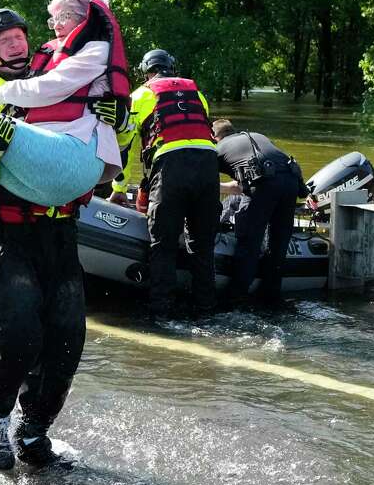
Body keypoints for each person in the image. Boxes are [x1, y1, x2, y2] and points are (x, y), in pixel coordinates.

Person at [0, 0, 128, 470]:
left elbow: (103, 174)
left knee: (66, 341)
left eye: (19, 36)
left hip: (60, 232)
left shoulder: (62, 74)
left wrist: (120, 127)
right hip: (4, 233)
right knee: (17, 335)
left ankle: (33, 431)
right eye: (2, 41)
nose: (15, 46)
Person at [115, 49, 219, 319]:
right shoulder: (197, 93)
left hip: (171, 167)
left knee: (163, 244)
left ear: (146, 70)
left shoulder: (140, 95)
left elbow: (124, 147)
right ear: (172, 67)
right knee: (203, 244)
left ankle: (161, 312)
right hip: (208, 166)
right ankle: (206, 308)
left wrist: (117, 189)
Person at [213, 119, 307, 305]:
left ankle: (237, 296)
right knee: (278, 242)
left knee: (249, 241)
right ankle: (271, 295)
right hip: (291, 182)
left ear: (214, 137)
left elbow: (204, 180)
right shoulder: (257, 137)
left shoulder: (219, 148)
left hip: (264, 185)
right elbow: (248, 180)